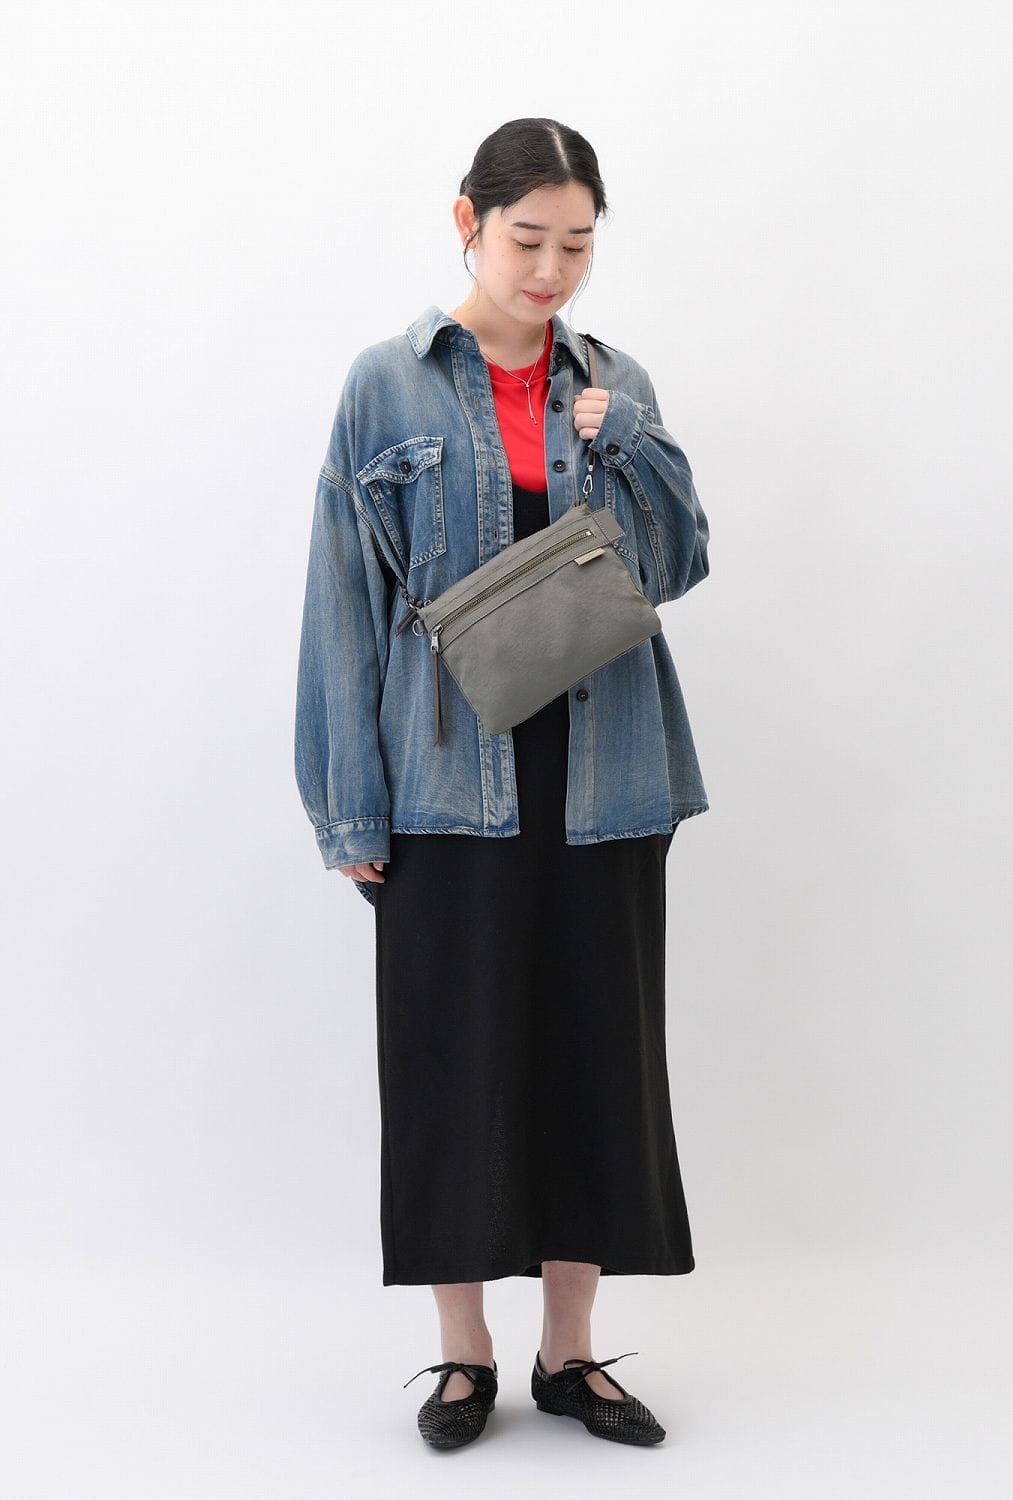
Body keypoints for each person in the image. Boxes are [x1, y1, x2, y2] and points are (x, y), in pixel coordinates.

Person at [293, 118, 711, 1449]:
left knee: (597, 1059)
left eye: (577, 245)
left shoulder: (615, 380)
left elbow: (677, 565)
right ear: (466, 222)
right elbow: (344, 601)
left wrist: (629, 439)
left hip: (603, 774)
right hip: (443, 778)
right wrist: (347, 804)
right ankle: (464, 1357)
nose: (551, 270)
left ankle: (571, 1355)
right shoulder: (389, 385)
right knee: (451, 1061)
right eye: (528, 239)